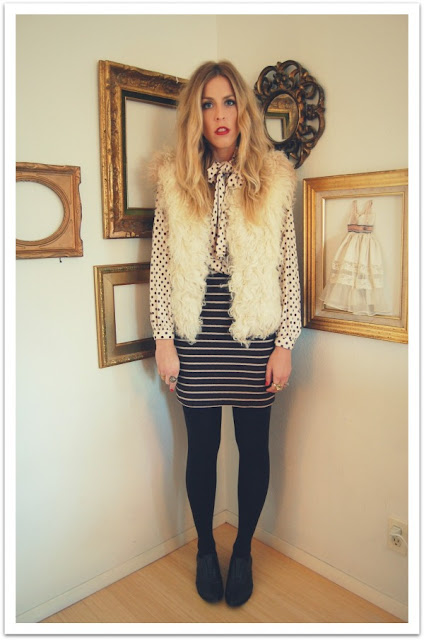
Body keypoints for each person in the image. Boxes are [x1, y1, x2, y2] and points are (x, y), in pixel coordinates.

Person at [149, 60, 301, 607]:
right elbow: (161, 263)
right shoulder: (175, 179)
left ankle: (243, 552)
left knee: (255, 447)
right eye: (208, 103)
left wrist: (285, 344)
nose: (220, 114)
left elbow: (288, 267)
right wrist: (163, 338)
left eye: (229, 102)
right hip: (195, 330)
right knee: (202, 450)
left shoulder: (274, 180)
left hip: (254, 330)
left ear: (244, 110)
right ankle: (205, 551)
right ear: (196, 113)